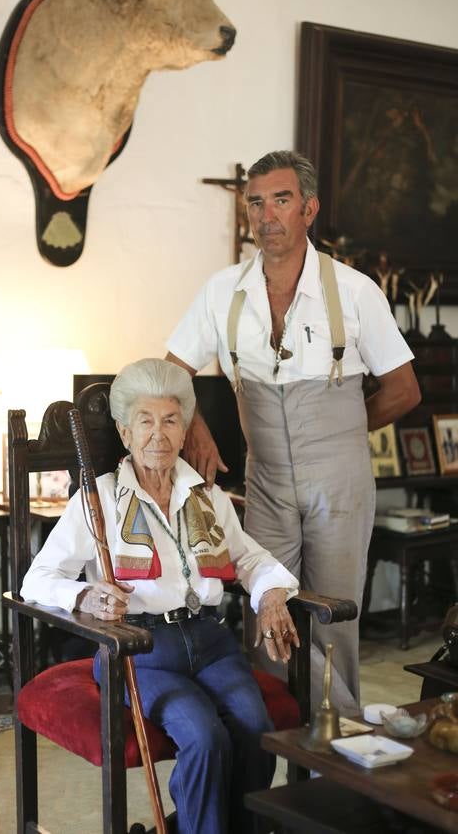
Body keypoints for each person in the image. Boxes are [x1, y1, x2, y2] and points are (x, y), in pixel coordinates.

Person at [165, 150, 421, 715]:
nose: (266, 215)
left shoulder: (355, 291)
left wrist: (346, 432)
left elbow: (404, 390)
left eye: (280, 200)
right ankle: (272, 746)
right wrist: (196, 429)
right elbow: (169, 375)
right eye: (256, 202)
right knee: (268, 611)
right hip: (267, 479)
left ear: (309, 208)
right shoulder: (222, 291)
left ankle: (334, 764)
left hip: (340, 477)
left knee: (332, 613)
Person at [21, 358, 300, 834]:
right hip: (139, 648)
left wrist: (273, 594)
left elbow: (250, 559)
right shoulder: (99, 498)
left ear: (184, 427)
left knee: (255, 726)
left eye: (170, 420)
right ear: (125, 433)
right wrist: (86, 596)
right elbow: (37, 579)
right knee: (204, 736)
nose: (159, 434)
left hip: (210, 641)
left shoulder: (205, 495)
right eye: (145, 422)